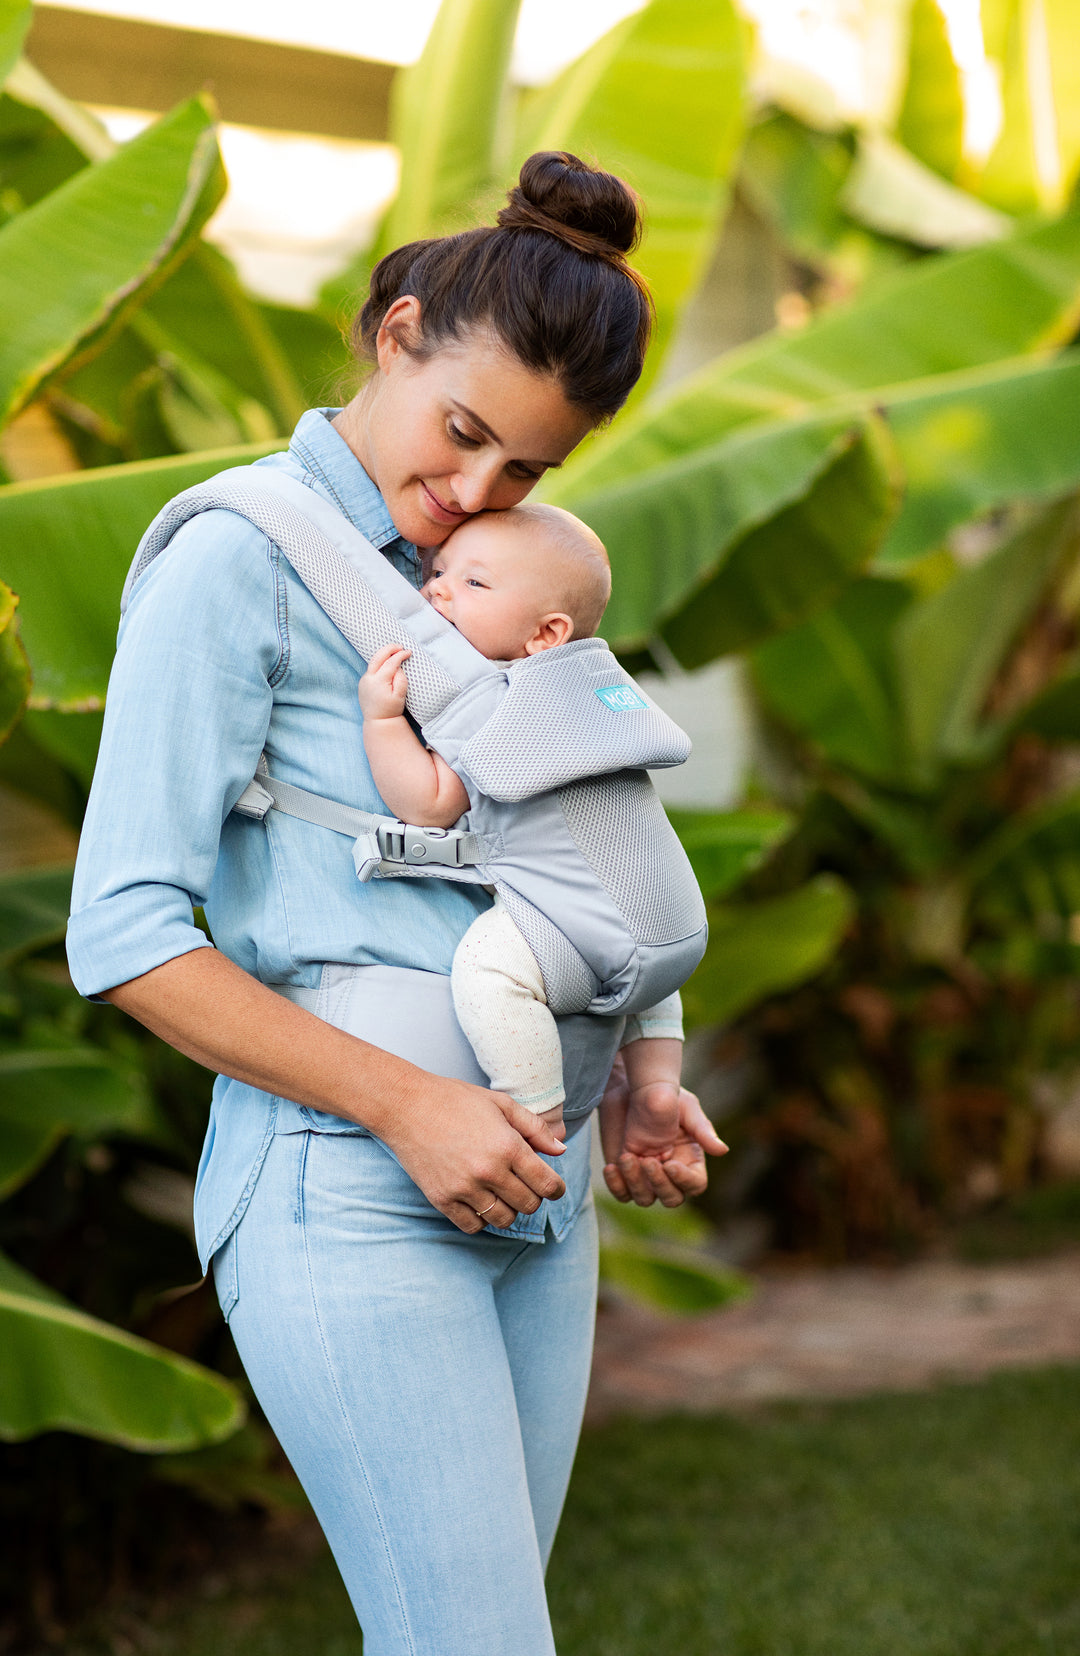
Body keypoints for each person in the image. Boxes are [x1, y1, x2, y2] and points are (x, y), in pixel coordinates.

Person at [66, 150, 727, 1655]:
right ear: (398, 330)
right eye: (465, 435)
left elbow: (561, 852)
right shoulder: (236, 559)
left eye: (528, 475)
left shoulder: (495, 581)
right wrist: (408, 1107)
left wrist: (630, 1078)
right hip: (347, 1186)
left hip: (540, 1183)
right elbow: (123, 932)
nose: (474, 497)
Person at [357, 501, 687, 1153]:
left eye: (474, 583)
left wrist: (384, 721)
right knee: (647, 975)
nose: (438, 590)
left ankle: (535, 1111)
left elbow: (429, 804)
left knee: (488, 970)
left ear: (543, 636)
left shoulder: (495, 703)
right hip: (669, 921)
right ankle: (657, 1086)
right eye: (440, 570)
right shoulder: (594, 686)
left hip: (567, 924)